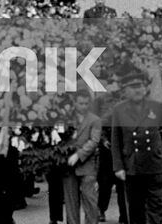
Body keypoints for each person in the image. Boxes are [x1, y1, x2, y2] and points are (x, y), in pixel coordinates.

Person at [111, 69, 162, 224]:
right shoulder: (119, 110)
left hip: (154, 164)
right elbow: (116, 141)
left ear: (145, 88)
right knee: (135, 209)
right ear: (125, 91)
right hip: (133, 166)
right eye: (133, 87)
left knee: (156, 207)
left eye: (140, 86)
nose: (137, 90)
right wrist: (118, 167)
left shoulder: (156, 107)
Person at [64, 92, 102, 224]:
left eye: (86, 103)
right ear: (74, 103)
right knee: (71, 203)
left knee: (90, 201)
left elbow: (94, 141)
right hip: (68, 166)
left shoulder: (95, 120)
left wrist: (78, 155)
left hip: (87, 166)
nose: (84, 106)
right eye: (81, 103)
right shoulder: (66, 117)